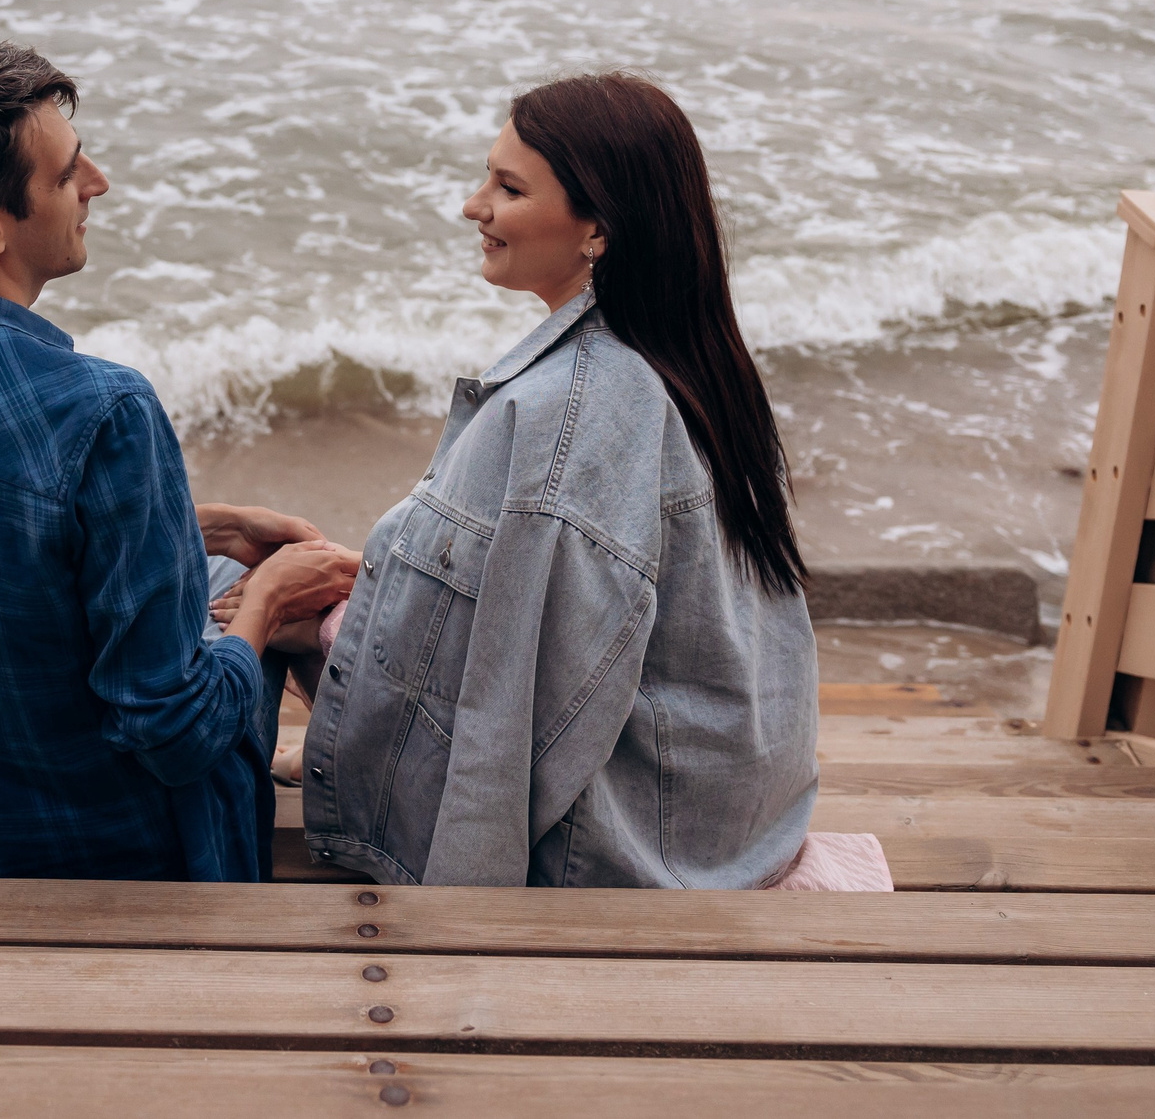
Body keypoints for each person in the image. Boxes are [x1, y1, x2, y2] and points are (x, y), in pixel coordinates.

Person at [0, 39, 355, 882]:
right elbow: (175, 732)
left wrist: (199, 521)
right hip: (115, 862)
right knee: (265, 599)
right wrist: (272, 596)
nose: (97, 181)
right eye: (64, 175)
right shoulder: (104, 408)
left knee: (214, 564)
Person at [294, 72, 826, 888]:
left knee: (229, 604)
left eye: (508, 187)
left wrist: (465, 928)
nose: (475, 206)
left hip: (625, 854)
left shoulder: (569, 412)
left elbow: (514, 715)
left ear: (598, 232)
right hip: (734, 825)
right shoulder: (688, 356)